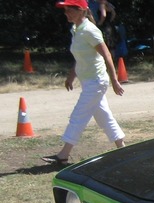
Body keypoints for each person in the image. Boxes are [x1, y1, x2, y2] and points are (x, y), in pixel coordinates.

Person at [43, 0, 125, 166]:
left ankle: (63, 155)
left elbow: (107, 55)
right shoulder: (76, 29)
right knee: (104, 116)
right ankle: (122, 148)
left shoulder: (89, 30)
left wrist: (115, 80)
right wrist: (71, 76)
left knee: (78, 116)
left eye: (69, 10)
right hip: (88, 82)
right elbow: (80, 58)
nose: (66, 14)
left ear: (81, 11)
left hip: (97, 81)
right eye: (65, 11)